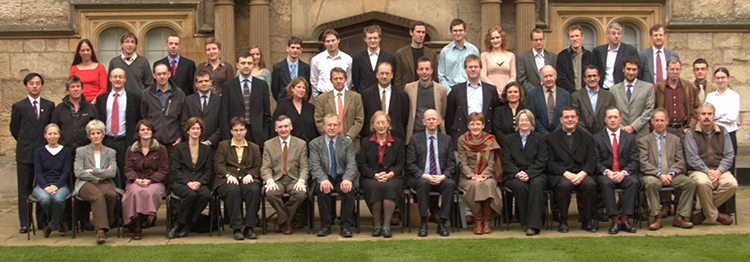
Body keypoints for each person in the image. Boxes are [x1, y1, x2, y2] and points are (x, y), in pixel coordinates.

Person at [10, 73, 55, 233]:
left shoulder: (49, 105)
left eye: (37, 83)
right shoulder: (19, 106)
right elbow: (14, 129)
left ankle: (42, 221)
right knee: (25, 188)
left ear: (41, 86)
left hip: (43, 153)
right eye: (31, 83)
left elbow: (50, 127)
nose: (35, 86)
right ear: (26, 86)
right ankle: (25, 223)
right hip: (25, 153)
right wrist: (26, 143)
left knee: (42, 186)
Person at [637, 108, 696, 230]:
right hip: (653, 175)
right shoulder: (644, 141)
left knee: (690, 183)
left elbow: (680, 161)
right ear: (652, 121)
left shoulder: (675, 140)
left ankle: (680, 216)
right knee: (651, 183)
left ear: (667, 121)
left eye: (662, 120)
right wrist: (659, 174)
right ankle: (656, 217)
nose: (659, 123)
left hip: (672, 175)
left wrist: (670, 174)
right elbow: (644, 163)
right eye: (657, 120)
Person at [546, 106, 598, 233]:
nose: (570, 120)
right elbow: (549, 162)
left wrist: (583, 173)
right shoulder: (551, 139)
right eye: (566, 117)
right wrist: (565, 173)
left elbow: (592, 160)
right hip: (560, 175)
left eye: (572, 117)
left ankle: (587, 220)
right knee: (565, 185)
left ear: (577, 119)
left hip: (581, 173)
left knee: (589, 184)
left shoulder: (586, 138)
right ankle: (563, 220)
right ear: (561, 120)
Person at [685, 103, 738, 226]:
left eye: (709, 114)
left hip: (720, 169)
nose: (706, 117)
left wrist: (718, 172)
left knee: (732, 184)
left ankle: (705, 213)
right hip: (698, 170)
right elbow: (692, 158)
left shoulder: (723, 131)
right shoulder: (691, 133)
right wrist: (708, 172)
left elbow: (729, 155)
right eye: (703, 114)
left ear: (714, 116)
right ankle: (715, 215)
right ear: (698, 116)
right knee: (703, 183)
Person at [406, 109, 456, 237]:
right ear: (423, 122)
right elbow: (410, 163)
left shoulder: (447, 139)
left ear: (439, 121)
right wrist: (425, 175)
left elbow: (451, 163)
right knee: (423, 184)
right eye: (428, 119)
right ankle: (423, 222)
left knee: (450, 184)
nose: (431, 121)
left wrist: (443, 176)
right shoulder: (415, 139)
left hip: (441, 176)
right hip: (422, 176)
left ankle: (442, 223)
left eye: (434, 119)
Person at [309, 114, 358, 238]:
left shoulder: (347, 142)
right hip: (325, 175)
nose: (332, 127)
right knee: (322, 189)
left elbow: (351, 163)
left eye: (335, 125)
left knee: (349, 190)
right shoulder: (315, 143)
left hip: (342, 175)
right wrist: (323, 179)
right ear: (324, 126)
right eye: (329, 125)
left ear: (339, 127)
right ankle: (325, 225)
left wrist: (347, 178)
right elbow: (314, 165)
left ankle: (345, 226)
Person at [592, 107, 640, 234]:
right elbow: (595, 161)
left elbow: (634, 160)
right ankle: (614, 220)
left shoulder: (629, 138)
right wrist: (607, 172)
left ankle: (625, 220)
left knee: (633, 182)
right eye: (609, 117)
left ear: (620, 119)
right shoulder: (597, 138)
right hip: (606, 174)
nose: (612, 120)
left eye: (615, 117)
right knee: (606, 183)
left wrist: (623, 173)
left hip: (624, 173)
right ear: (605, 120)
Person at [214, 117, 262, 240]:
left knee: (253, 190)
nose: (239, 133)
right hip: (227, 179)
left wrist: (251, 174)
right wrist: (227, 175)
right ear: (231, 131)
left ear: (246, 130)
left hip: (247, 178)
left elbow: (257, 166)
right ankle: (236, 227)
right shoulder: (223, 145)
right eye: (235, 130)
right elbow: (218, 164)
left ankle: (249, 227)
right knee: (232, 190)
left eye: (241, 129)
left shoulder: (254, 147)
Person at [358, 111, 405, 238]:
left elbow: (401, 164)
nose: (381, 125)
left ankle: (387, 226)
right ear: (372, 125)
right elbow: (362, 164)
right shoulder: (366, 142)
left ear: (388, 124)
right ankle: (377, 225)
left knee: (390, 187)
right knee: (375, 187)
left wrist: (390, 175)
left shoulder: (397, 142)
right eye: (377, 123)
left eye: (383, 122)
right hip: (371, 177)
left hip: (392, 176)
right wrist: (375, 175)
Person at [501, 109, 547, 236]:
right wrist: (518, 173)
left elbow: (542, 160)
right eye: (521, 120)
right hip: (514, 174)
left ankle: (533, 225)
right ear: (517, 122)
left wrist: (529, 174)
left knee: (536, 185)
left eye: (527, 120)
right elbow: (506, 160)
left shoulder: (540, 139)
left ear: (531, 122)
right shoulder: (509, 139)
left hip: (535, 173)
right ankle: (526, 221)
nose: (524, 122)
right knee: (520, 186)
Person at [94, 68, 142, 187]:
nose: (117, 79)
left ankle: (124, 202)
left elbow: (138, 120)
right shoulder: (101, 99)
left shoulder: (134, 98)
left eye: (120, 77)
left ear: (125, 79)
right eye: (114, 77)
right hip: (106, 141)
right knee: (107, 173)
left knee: (125, 173)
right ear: (110, 79)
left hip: (125, 141)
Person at [261, 116, 309, 235]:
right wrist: (270, 181)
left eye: (286, 126)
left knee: (300, 193)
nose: (283, 129)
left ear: (291, 127)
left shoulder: (301, 144)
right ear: (276, 129)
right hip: (276, 179)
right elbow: (265, 167)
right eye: (280, 127)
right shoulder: (268, 144)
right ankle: (286, 220)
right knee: (271, 193)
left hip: (293, 179)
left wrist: (301, 181)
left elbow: (304, 166)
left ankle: (282, 219)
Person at [73, 120, 118, 244]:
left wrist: (93, 170)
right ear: (88, 136)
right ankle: (100, 231)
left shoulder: (110, 152)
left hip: (103, 183)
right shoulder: (81, 151)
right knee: (97, 196)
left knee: (112, 194)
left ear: (103, 135)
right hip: (84, 183)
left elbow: (112, 172)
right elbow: (79, 172)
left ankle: (105, 224)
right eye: (93, 133)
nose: (96, 136)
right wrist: (99, 176)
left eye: (98, 133)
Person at [122, 120, 168, 240]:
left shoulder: (161, 149)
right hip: (135, 181)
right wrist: (135, 179)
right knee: (134, 192)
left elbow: (163, 170)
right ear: (138, 133)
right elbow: (128, 169)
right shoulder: (130, 149)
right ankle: (137, 225)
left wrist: (150, 180)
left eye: (148, 129)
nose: (145, 132)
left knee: (148, 192)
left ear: (152, 132)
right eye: (143, 129)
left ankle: (146, 218)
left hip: (154, 182)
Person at [457, 112, 503, 235]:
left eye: (478, 124)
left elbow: (491, 163)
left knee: (487, 184)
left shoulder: (490, 140)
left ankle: (486, 221)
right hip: (467, 176)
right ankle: (478, 221)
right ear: (468, 126)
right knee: (475, 185)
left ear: (483, 125)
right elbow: (463, 162)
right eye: (472, 124)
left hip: (487, 175)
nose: (475, 127)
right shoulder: (462, 140)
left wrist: (484, 175)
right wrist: (472, 176)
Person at [168, 117, 213, 239]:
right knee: (191, 195)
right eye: (193, 128)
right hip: (182, 183)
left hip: (200, 182)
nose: (195, 131)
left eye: (198, 128)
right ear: (187, 131)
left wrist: (199, 182)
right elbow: (176, 170)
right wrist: (188, 182)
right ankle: (178, 224)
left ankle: (189, 224)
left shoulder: (206, 149)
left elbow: (208, 171)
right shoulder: (179, 148)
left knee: (206, 195)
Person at [141, 62, 186, 183]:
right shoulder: (147, 94)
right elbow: (144, 118)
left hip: (172, 142)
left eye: (164, 74)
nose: (162, 77)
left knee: (172, 175)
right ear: (154, 75)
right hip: (153, 142)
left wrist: (180, 137)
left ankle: (172, 200)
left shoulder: (179, 93)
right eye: (159, 74)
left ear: (169, 74)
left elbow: (183, 118)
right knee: (155, 174)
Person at [221, 51, 272, 150]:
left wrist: (264, 134)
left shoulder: (262, 85)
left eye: (249, 63)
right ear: (237, 65)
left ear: (253, 65)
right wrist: (227, 137)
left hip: (257, 134)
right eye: (243, 63)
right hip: (235, 133)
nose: (246, 66)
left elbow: (267, 113)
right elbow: (224, 113)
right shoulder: (228, 86)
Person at [446, 54, 500, 146]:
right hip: (462, 135)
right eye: (470, 67)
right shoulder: (456, 90)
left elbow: (496, 114)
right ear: (465, 69)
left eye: (476, 67)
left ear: (480, 68)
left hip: (486, 136)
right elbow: (449, 116)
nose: (473, 69)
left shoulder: (491, 90)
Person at [33, 124, 72, 238]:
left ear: (59, 135)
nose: (52, 136)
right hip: (42, 185)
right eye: (49, 134)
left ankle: (51, 226)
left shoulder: (66, 151)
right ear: (45, 135)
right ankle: (58, 221)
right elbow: (38, 172)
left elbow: (66, 172)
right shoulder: (39, 152)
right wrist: (46, 187)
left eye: (55, 133)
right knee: (45, 200)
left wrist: (56, 186)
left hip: (60, 185)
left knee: (58, 200)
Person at [313, 67, 365, 153]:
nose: (338, 81)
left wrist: (348, 137)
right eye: (335, 79)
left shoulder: (356, 97)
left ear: (346, 80)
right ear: (331, 80)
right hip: (329, 143)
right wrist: (330, 136)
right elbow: (318, 120)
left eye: (341, 78)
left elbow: (359, 119)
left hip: (351, 142)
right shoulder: (322, 98)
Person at [361, 62, 410, 141]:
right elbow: (365, 117)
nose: (384, 76)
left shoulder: (402, 95)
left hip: (395, 139)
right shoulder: (366, 95)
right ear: (377, 75)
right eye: (382, 73)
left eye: (387, 73)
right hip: (372, 139)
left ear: (392, 75)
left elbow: (404, 119)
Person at [404, 57, 448, 144]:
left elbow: (442, 112)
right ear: (417, 71)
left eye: (427, 69)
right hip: (415, 134)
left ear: (431, 70)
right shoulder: (408, 88)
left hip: (434, 133)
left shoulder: (441, 89)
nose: (424, 72)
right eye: (421, 69)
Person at [610, 55, 654, 139]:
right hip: (620, 132)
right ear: (623, 69)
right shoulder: (613, 90)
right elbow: (612, 111)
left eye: (634, 69)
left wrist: (633, 127)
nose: (631, 72)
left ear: (638, 71)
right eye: (628, 69)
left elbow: (649, 110)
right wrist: (621, 127)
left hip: (641, 133)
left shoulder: (648, 88)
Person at [653, 57, 700, 136]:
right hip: (665, 130)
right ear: (667, 69)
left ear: (681, 70)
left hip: (683, 129)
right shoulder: (658, 87)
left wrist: (690, 127)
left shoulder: (689, 87)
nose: (675, 72)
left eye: (677, 69)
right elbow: (653, 109)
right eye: (672, 69)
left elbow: (696, 109)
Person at [705, 68, 739, 174]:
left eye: (723, 77)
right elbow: (707, 115)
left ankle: (731, 189)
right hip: (714, 133)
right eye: (718, 78)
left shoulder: (734, 96)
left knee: (730, 161)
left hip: (729, 133)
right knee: (716, 161)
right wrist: (722, 113)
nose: (720, 80)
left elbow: (733, 117)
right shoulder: (710, 96)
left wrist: (715, 115)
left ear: (728, 79)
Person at [51, 75, 100, 150]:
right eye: (72, 87)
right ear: (68, 91)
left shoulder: (91, 108)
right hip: (64, 150)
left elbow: (97, 128)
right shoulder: (59, 109)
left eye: (78, 86)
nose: (75, 89)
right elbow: (54, 128)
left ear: (82, 89)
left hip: (86, 150)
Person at [525, 65, 571, 135]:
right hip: (539, 136)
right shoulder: (532, 95)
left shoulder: (565, 95)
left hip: (560, 136)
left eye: (551, 75)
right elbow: (532, 117)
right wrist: (545, 134)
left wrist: (555, 134)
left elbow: (567, 116)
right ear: (541, 79)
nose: (548, 79)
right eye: (545, 76)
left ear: (555, 77)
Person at [570, 65, 615, 135]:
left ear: (599, 77)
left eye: (594, 76)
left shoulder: (609, 96)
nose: (592, 79)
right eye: (589, 76)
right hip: (583, 137)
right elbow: (576, 118)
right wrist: (588, 136)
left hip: (604, 137)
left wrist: (601, 136)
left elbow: (612, 117)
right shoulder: (576, 96)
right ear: (584, 79)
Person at [592, 22, 638, 90]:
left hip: (621, 89)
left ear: (621, 35)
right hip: (603, 89)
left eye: (619, 33)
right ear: (607, 35)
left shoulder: (629, 50)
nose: (616, 36)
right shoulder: (598, 51)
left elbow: (636, 69)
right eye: (613, 33)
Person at [181, 71, 222, 147]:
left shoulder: (219, 100)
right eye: (200, 81)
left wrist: (210, 141)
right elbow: (184, 123)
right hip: (192, 144)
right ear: (196, 84)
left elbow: (222, 124)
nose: (204, 83)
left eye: (206, 81)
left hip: (214, 145)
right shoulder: (188, 100)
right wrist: (194, 140)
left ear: (210, 82)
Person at [352, 25, 397, 93]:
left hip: (383, 95)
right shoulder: (357, 58)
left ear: (379, 38)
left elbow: (393, 79)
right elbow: (356, 80)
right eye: (369, 38)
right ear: (365, 39)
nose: (372, 41)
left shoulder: (390, 58)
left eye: (375, 38)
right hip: (364, 96)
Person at [395, 21, 439, 90]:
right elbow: (398, 80)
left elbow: (435, 77)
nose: (421, 35)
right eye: (418, 32)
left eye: (423, 32)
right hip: (407, 93)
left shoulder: (431, 53)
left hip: (427, 92)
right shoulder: (401, 53)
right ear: (411, 32)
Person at [439, 19, 480, 91]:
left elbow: (478, 72)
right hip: (451, 89)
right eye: (455, 31)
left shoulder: (473, 50)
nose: (458, 33)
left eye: (460, 30)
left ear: (465, 31)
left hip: (470, 89)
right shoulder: (445, 52)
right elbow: (441, 75)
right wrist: (449, 92)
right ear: (451, 32)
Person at [310, 29, 353, 98]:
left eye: (333, 40)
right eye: (328, 41)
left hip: (342, 96)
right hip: (324, 96)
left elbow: (349, 80)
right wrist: (317, 97)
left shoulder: (347, 59)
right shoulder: (316, 60)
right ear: (324, 43)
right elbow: (314, 80)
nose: (331, 44)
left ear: (338, 40)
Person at [273, 77, 318, 142]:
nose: (301, 90)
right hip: (290, 147)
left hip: (309, 146)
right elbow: (275, 128)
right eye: (299, 87)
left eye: (304, 88)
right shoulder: (282, 107)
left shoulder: (311, 108)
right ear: (292, 88)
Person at [556, 24, 596, 94]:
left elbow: (593, 76)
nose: (575, 39)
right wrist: (574, 93)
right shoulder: (562, 56)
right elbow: (561, 78)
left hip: (587, 94)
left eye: (577, 36)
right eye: (572, 36)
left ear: (582, 37)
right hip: (568, 94)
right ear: (569, 39)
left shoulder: (590, 56)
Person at [480, 25, 516, 98]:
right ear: (489, 40)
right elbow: (483, 76)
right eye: (492, 38)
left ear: (502, 38)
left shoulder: (511, 55)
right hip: (490, 93)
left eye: (497, 37)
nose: (495, 40)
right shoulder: (484, 55)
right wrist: (495, 89)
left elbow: (513, 76)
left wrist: (505, 90)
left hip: (507, 94)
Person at [516, 28, 558, 92]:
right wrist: (535, 93)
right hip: (530, 96)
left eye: (540, 39)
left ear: (544, 40)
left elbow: (556, 77)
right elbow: (521, 80)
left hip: (549, 95)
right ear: (531, 40)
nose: (538, 42)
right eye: (536, 40)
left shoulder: (553, 57)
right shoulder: (522, 58)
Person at [272, 36, 311, 102]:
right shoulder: (277, 67)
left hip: (300, 104)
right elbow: (275, 89)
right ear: (287, 48)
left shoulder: (306, 68)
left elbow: (308, 88)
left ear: (301, 50)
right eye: (293, 47)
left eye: (297, 48)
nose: (295, 50)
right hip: (283, 103)